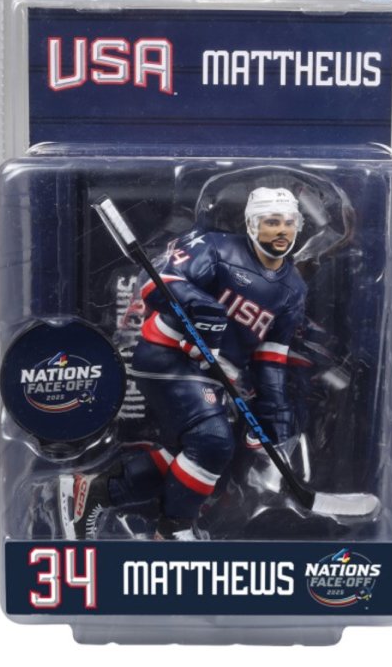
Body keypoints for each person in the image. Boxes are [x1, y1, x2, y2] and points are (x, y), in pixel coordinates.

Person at [60, 187, 308, 540]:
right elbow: (155, 283)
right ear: (252, 224)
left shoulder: (293, 288)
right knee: (212, 442)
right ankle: (173, 531)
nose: (282, 230)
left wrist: (274, 407)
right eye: (271, 222)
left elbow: (271, 353)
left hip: (212, 374)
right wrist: (196, 303)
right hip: (168, 354)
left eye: (289, 222)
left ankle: (96, 492)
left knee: (193, 458)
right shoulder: (215, 247)